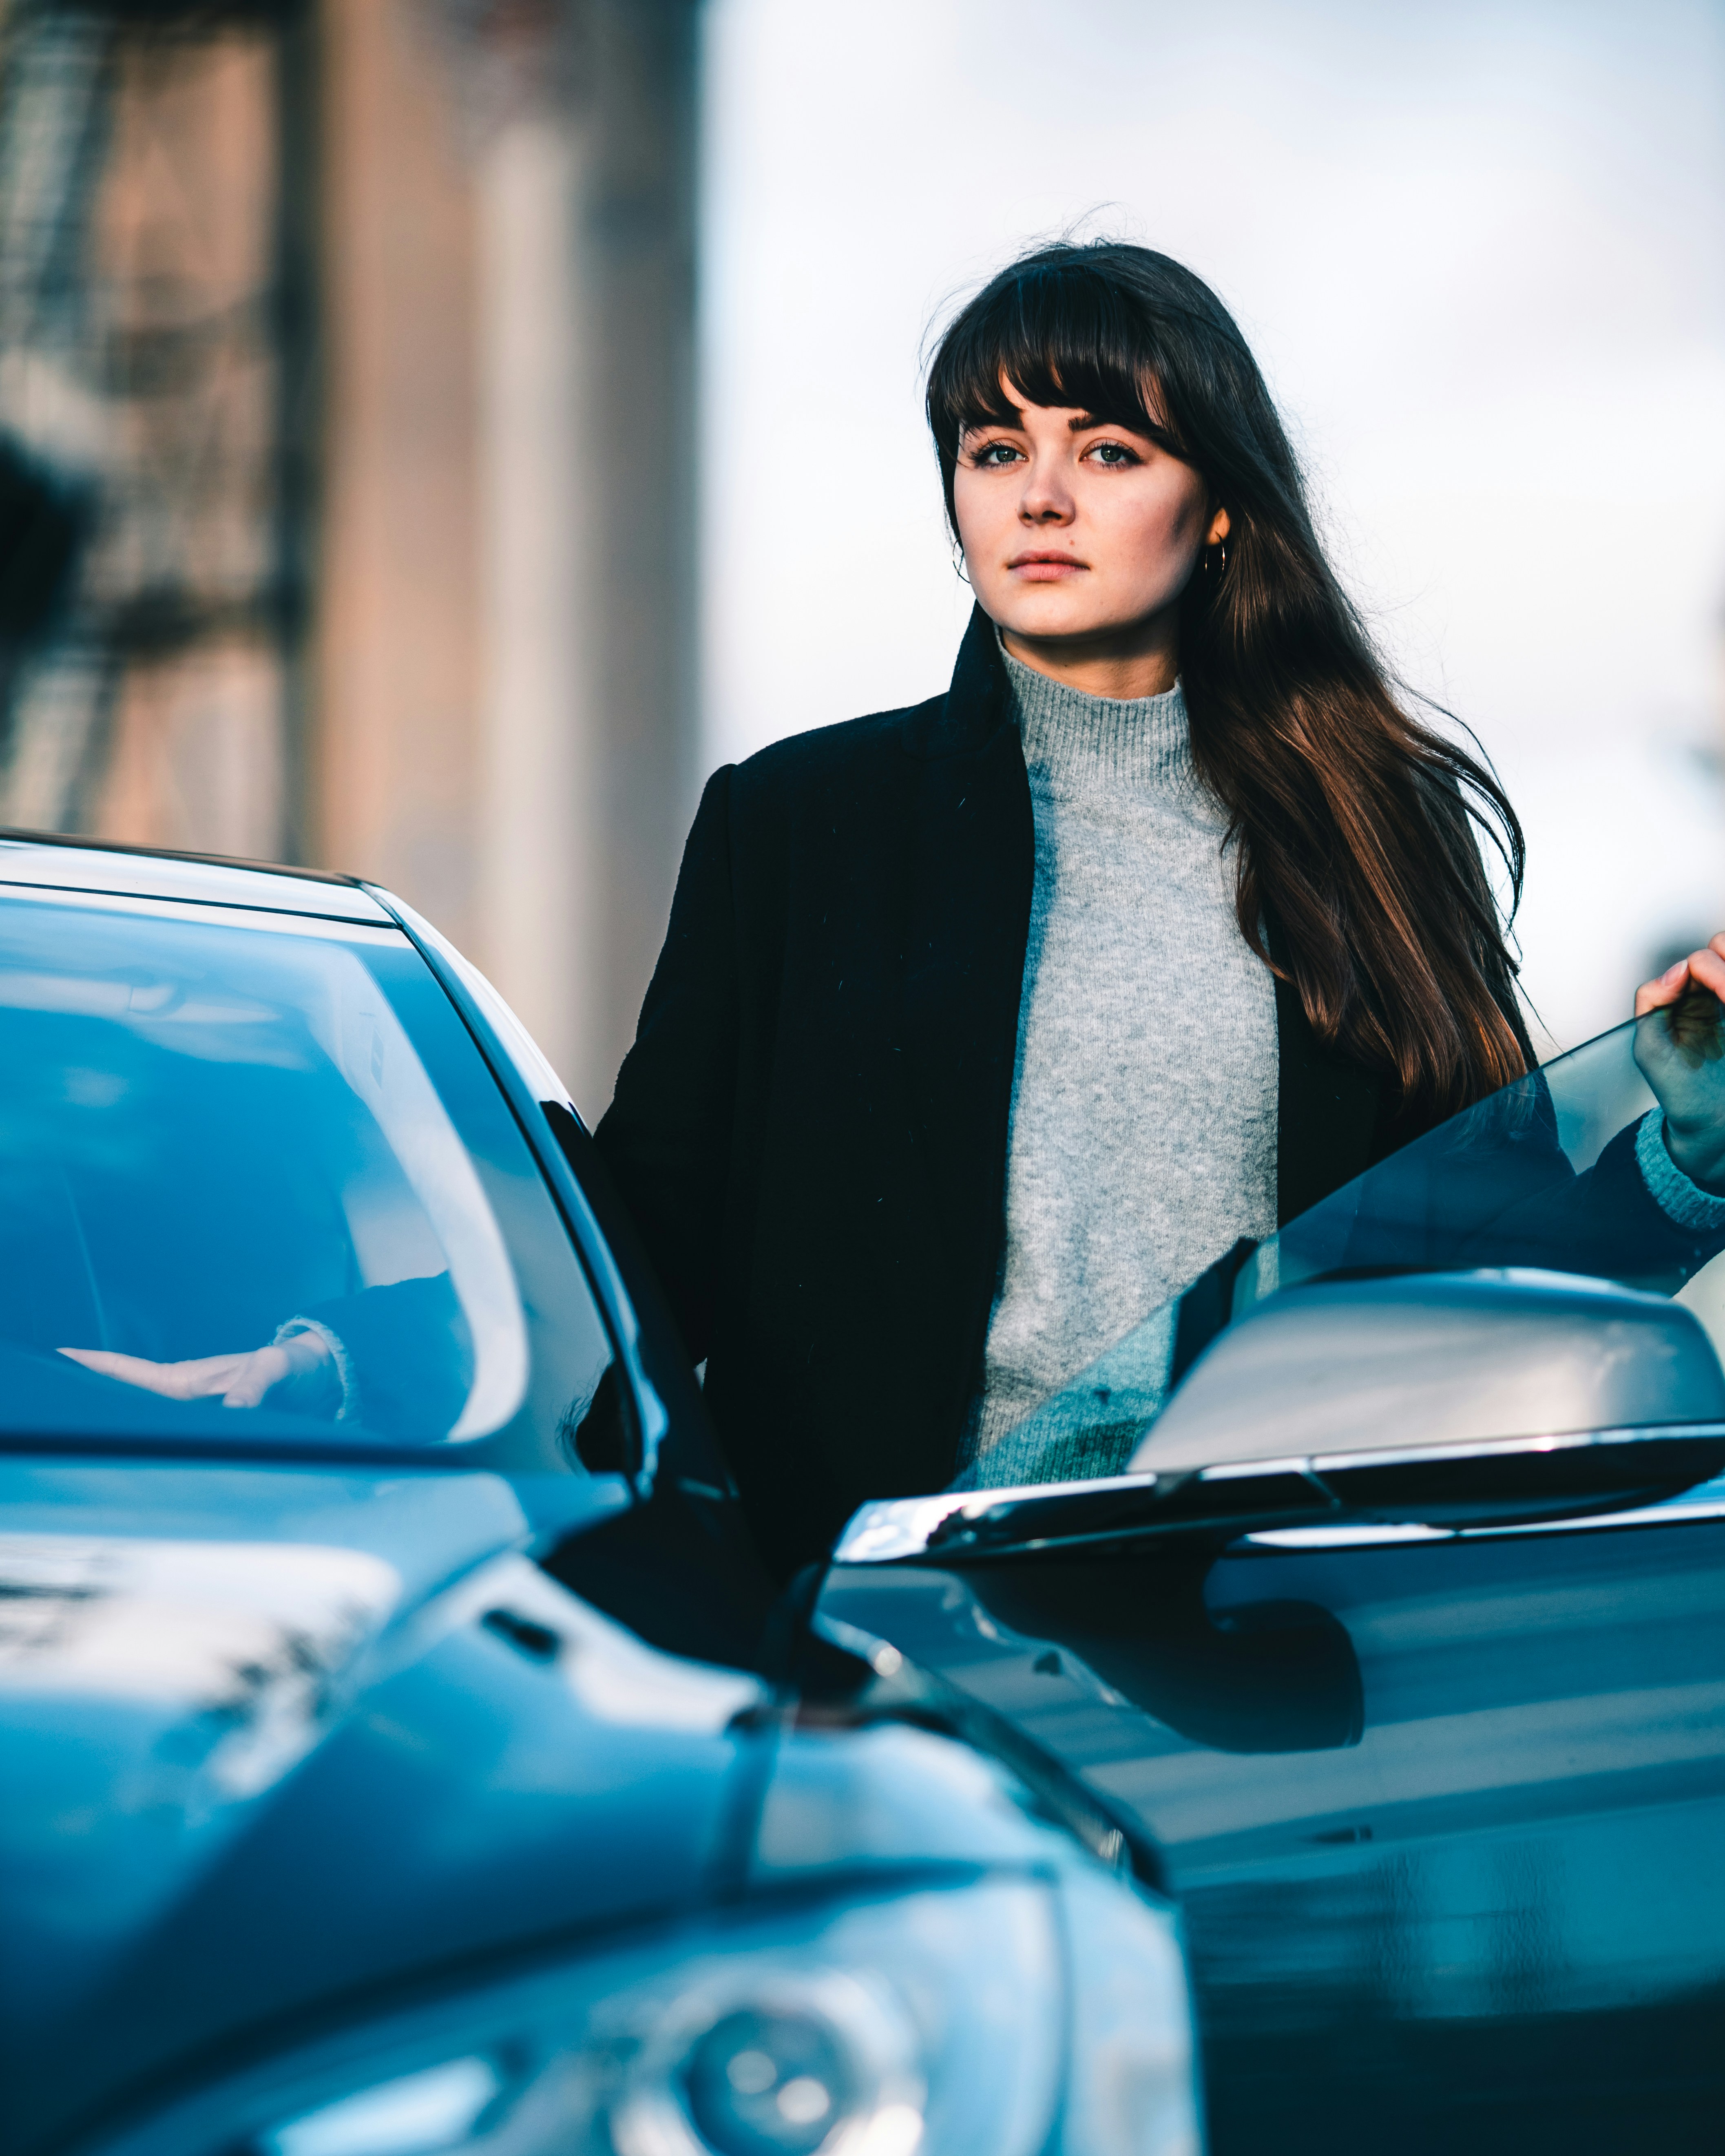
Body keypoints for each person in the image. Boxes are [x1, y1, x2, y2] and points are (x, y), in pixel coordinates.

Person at [595, 239, 1725, 1578]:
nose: (1043, 499)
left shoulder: (1381, 835)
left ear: (1223, 508)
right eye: (997, 450)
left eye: (1110, 452)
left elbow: (1486, 1278)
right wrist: (342, 1355)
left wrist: (1694, 1144)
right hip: (867, 1634)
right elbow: (636, 1247)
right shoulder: (795, 823)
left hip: (1267, 1617)